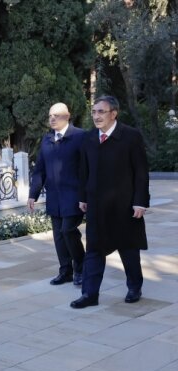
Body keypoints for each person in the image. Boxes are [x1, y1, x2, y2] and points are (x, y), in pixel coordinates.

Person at [70, 95, 150, 308]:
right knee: (94, 249)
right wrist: (82, 197)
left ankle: (134, 287)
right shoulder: (88, 138)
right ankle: (89, 294)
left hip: (125, 205)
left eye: (101, 112)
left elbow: (141, 172)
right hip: (97, 205)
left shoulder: (131, 137)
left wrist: (140, 201)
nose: (96, 116)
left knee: (128, 248)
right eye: (94, 112)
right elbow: (83, 171)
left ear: (114, 114)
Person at [28, 103, 85, 286]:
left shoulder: (80, 136)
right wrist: (33, 194)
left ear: (67, 116)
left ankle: (81, 268)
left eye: (57, 115)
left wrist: (87, 195)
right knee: (58, 236)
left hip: (75, 195)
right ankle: (65, 271)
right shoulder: (46, 140)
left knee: (68, 230)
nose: (52, 118)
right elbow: (40, 170)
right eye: (50, 115)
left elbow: (88, 168)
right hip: (54, 197)